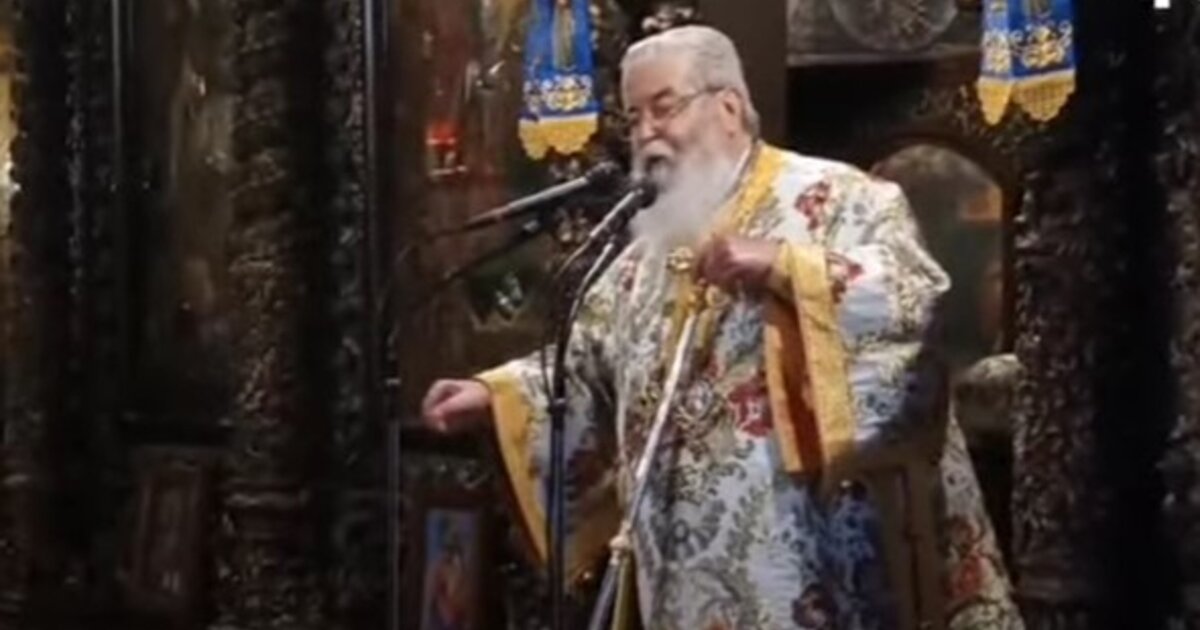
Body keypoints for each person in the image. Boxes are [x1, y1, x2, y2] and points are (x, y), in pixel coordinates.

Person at [422, 25, 1022, 630]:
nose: (646, 132)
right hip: (678, 571)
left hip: (812, 562)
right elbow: (589, 363)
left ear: (729, 107)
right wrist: (497, 395)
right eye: (634, 117)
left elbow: (915, 301)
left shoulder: (841, 198)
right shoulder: (647, 248)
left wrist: (787, 267)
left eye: (664, 107)